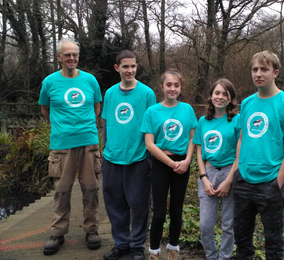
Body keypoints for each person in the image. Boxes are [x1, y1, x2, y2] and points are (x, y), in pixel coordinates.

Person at [216, 50, 284, 260]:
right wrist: (237, 172)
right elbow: (242, 139)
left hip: (270, 182)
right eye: (255, 69)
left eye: (264, 69)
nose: (258, 74)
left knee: (273, 241)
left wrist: (278, 182)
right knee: (242, 239)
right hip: (244, 180)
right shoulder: (246, 104)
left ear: (276, 72)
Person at [39, 38, 102, 255]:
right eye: (67, 55)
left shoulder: (90, 80)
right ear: (59, 57)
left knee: (91, 189)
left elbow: (96, 107)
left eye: (74, 54)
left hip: (88, 143)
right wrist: (62, 128)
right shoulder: (49, 82)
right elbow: (45, 111)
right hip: (61, 145)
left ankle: (91, 230)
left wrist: (85, 127)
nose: (72, 58)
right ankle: (57, 233)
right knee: (62, 190)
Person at [101, 50, 156, 260]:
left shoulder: (147, 94)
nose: (130, 70)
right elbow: (106, 125)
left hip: (139, 159)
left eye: (133, 66)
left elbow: (153, 126)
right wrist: (105, 152)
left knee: (140, 205)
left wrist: (150, 158)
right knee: (115, 205)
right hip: (113, 159)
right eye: (125, 66)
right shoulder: (110, 94)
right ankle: (121, 244)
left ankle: (137, 245)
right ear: (117, 68)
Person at [140, 69, 197, 260]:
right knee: (159, 212)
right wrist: (171, 163)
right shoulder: (152, 112)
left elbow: (192, 138)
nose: (172, 89)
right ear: (162, 87)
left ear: (180, 88)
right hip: (161, 164)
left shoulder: (187, 109)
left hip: (182, 164)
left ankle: (173, 248)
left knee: (176, 210)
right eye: (169, 85)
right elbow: (149, 143)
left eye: (176, 85)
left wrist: (187, 161)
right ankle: (154, 252)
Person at [193, 78, 239, 260]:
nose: (220, 97)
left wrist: (229, 180)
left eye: (225, 94)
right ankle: (211, 256)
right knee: (205, 225)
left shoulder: (237, 120)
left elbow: (240, 152)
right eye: (217, 93)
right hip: (209, 173)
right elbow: (198, 151)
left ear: (231, 99)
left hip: (230, 173)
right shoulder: (203, 121)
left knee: (229, 224)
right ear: (211, 96)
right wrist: (203, 177)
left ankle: (225, 257)